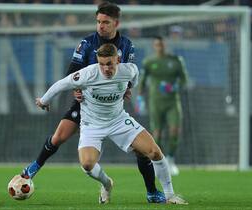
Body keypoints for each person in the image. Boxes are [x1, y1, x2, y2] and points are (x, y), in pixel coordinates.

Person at [22, 1, 166, 203]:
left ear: (116, 23)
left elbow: (129, 74)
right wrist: (77, 91)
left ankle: (152, 191)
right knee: (58, 137)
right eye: (98, 22)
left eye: (105, 22)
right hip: (86, 105)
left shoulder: (126, 45)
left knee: (142, 152)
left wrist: (127, 89)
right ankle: (32, 169)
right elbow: (71, 73)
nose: (100, 26)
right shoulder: (87, 43)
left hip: (111, 109)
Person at [35, 43, 188, 205]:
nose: (105, 68)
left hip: (119, 121)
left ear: (118, 60)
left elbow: (134, 80)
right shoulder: (88, 74)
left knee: (155, 153)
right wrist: (44, 100)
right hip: (91, 125)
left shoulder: (129, 70)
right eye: (101, 64)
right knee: (87, 164)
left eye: (109, 64)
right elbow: (61, 84)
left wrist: (127, 88)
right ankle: (107, 184)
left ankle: (170, 196)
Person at [139, 36, 188, 175]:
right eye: (157, 44)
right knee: (157, 134)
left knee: (175, 130)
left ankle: (171, 160)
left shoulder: (176, 61)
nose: (160, 47)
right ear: (154, 46)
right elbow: (142, 82)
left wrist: (174, 87)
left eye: (162, 44)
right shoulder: (149, 62)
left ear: (166, 45)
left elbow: (184, 81)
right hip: (156, 102)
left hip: (172, 102)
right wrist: (140, 100)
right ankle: (159, 162)